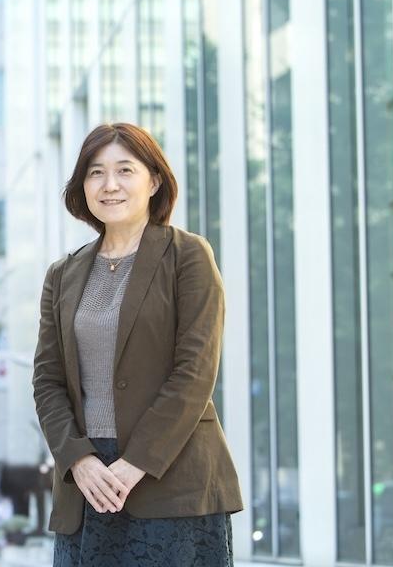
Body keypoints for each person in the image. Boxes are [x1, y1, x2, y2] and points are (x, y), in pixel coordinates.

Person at [32, 122, 243, 566]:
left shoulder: (188, 256)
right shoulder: (61, 275)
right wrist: (79, 460)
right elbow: (47, 382)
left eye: (125, 170)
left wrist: (135, 464)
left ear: (155, 180)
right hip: (88, 485)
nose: (109, 185)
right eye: (95, 172)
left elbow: (195, 371)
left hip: (171, 481)